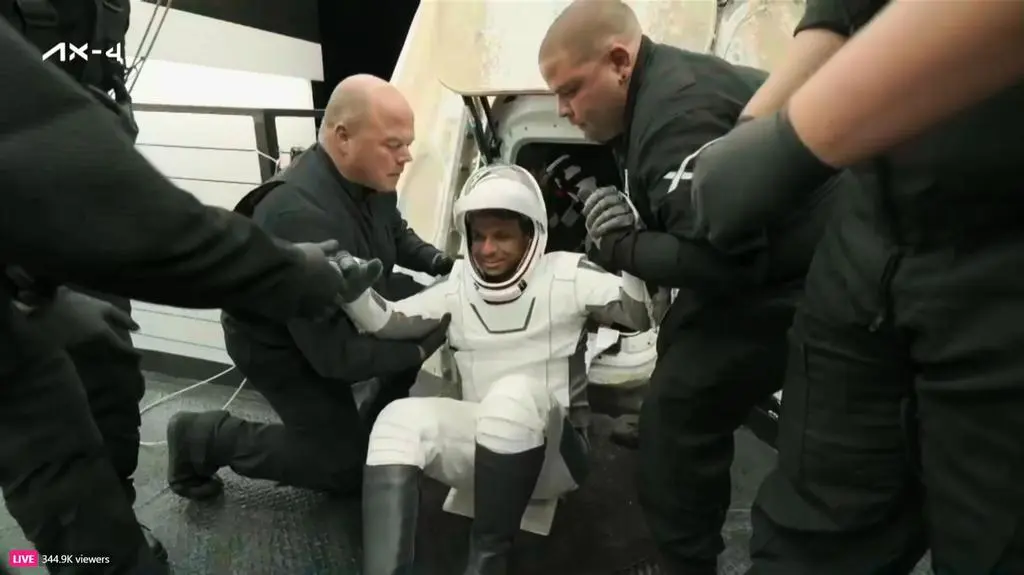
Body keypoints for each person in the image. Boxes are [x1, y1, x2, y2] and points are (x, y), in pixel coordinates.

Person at [0, 16, 384, 575]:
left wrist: (36, 299)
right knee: (55, 449)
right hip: (38, 279)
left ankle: (105, 544)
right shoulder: (298, 206)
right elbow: (152, 228)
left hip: (31, 277)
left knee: (106, 375)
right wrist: (299, 273)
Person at [681, 1, 1024, 574]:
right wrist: (754, 125)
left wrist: (795, 138)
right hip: (871, 232)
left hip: (1005, 255)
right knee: (806, 538)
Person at [537, 2, 839, 573]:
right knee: (680, 337)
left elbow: (724, 264)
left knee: (680, 409)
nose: (563, 110)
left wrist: (620, 246)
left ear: (619, 62)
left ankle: (685, 559)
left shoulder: (675, 116)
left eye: (570, 90)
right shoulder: (654, 94)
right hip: (783, 256)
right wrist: (631, 216)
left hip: (807, 276)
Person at [342, 164, 651, 575]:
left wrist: (631, 243)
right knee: (395, 421)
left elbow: (638, 314)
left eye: (502, 236)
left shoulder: (568, 274)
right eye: (479, 236)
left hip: (557, 461)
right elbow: (388, 322)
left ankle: (486, 564)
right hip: (485, 458)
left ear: (530, 235)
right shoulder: (457, 286)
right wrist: (351, 293)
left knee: (512, 397)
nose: (487, 249)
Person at [165, 74, 453, 501]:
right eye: (394, 144)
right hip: (279, 344)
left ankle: (369, 435)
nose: (406, 156)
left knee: (416, 319)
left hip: (348, 304)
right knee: (340, 466)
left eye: (407, 144)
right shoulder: (296, 215)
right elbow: (335, 358)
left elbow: (393, 232)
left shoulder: (372, 179)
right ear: (343, 138)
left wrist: (440, 262)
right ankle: (203, 437)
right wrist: (421, 345)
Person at [1, 0, 167, 561]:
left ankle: (117, 522)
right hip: (16, 229)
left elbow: (100, 73)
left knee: (113, 373)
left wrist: (117, 120)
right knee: (43, 426)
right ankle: (86, 556)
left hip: (89, 213)